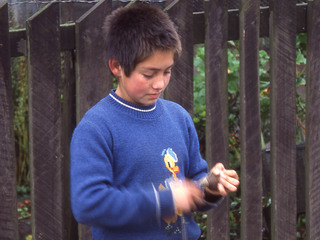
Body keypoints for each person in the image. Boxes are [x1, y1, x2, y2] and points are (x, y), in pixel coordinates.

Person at [70, 3, 239, 240]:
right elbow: (88, 204)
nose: (159, 83)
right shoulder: (96, 128)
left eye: (167, 71)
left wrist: (210, 188)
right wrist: (165, 200)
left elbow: (194, 185)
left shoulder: (178, 117)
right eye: (148, 74)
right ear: (116, 66)